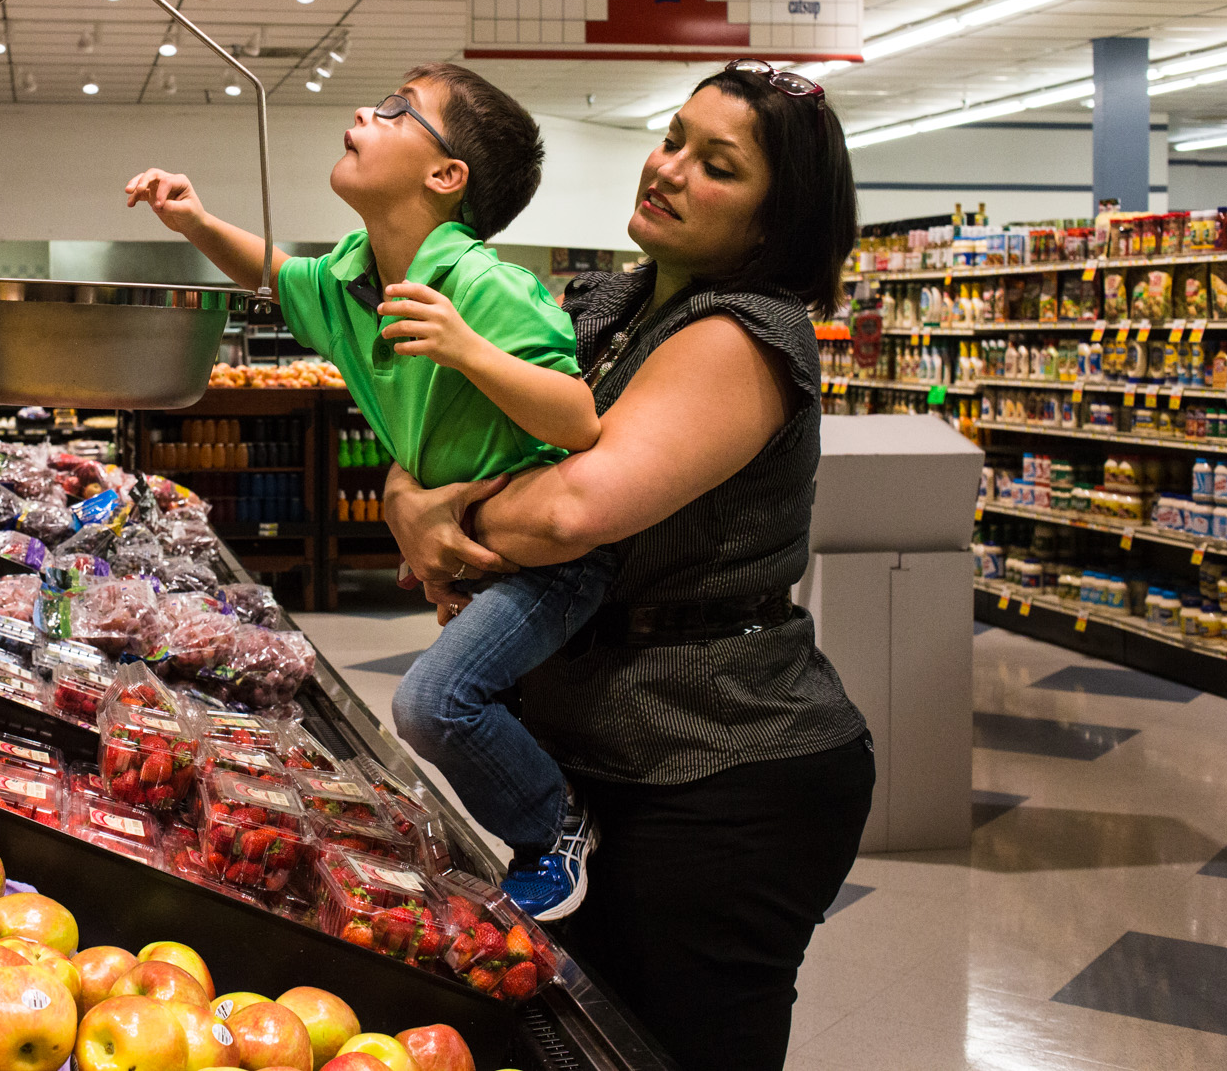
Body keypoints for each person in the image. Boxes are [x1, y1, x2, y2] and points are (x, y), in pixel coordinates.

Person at [381, 59, 874, 1071]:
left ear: (771, 224)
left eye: (717, 167)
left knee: (674, 1047)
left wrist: (439, 519)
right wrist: (408, 496)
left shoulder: (742, 335)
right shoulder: (612, 304)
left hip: (721, 768)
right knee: (581, 1038)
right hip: (599, 746)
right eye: (674, 137)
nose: (667, 168)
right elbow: (443, 437)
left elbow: (570, 511)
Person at [126, 62, 616, 918]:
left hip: (550, 561)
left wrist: (470, 349)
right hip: (479, 555)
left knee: (432, 702)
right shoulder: (358, 273)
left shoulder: (482, 286)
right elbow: (276, 274)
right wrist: (195, 219)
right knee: (480, 699)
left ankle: (558, 826)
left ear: (445, 176)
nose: (364, 111)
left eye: (395, 111)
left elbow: (577, 420)